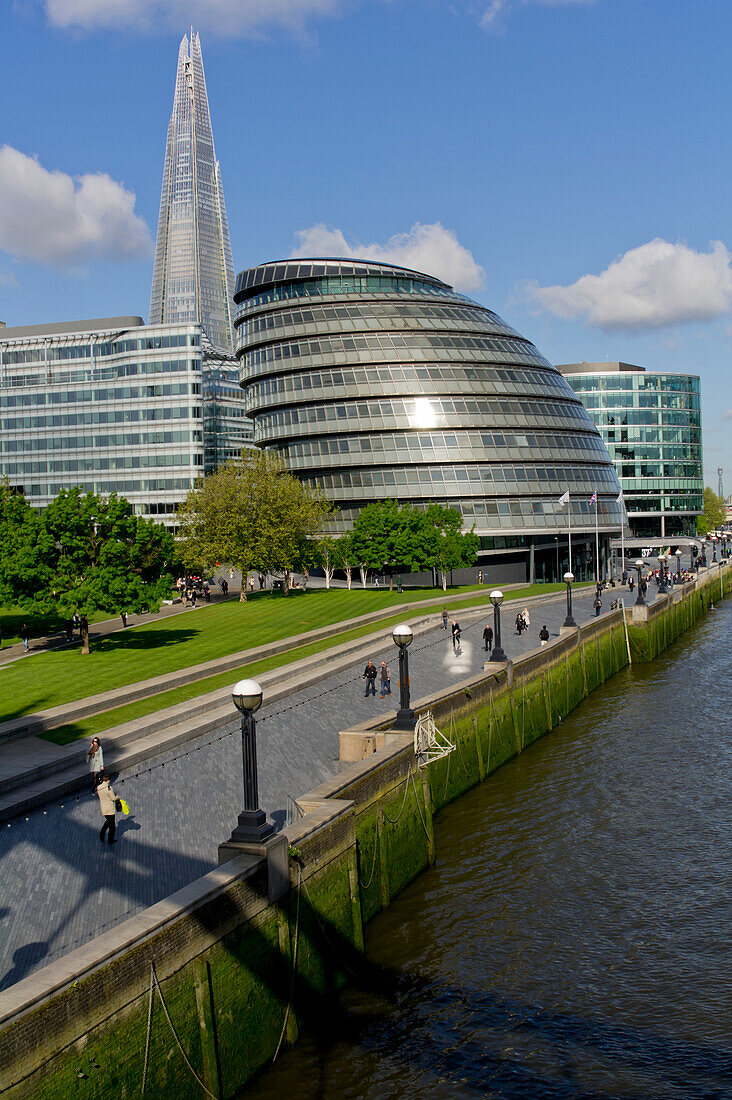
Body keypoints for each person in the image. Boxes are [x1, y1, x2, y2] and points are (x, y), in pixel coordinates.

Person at [97, 775, 118, 844]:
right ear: (108, 780)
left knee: (108, 822)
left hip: (103, 808)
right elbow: (113, 798)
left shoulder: (99, 787)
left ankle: (102, 835)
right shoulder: (109, 788)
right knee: (112, 826)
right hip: (110, 809)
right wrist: (118, 797)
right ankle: (109, 839)